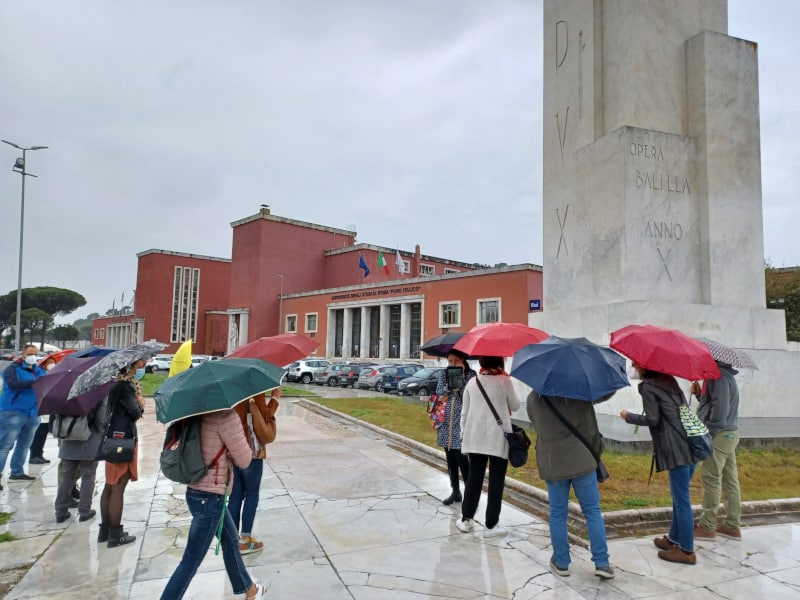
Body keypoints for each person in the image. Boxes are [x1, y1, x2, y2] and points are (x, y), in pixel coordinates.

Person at [160, 407, 268, 600]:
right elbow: (244, 461)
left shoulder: (193, 413)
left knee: (231, 541)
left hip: (195, 492)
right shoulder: (226, 416)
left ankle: (249, 590)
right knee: (190, 562)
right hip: (210, 498)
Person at [526, 390, 614, 579]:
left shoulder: (533, 398)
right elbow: (590, 424)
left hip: (553, 462)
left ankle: (562, 562)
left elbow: (537, 425)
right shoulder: (577, 393)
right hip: (582, 460)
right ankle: (602, 563)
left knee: (558, 513)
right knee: (592, 511)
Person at [620, 362, 698, 564]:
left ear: (645, 366)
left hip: (677, 448)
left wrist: (629, 417)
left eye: (635, 363)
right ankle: (673, 539)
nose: (633, 366)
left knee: (681, 499)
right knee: (678, 495)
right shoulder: (668, 379)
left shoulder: (647, 386)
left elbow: (653, 420)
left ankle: (687, 551)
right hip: (690, 442)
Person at [455, 355, 520, 537]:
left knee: (474, 479)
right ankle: (491, 524)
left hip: (475, 438)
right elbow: (515, 406)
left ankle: (466, 519)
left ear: (481, 362)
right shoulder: (505, 381)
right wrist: (508, 384)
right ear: (500, 362)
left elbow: (464, 414)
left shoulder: (473, 382)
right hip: (499, 439)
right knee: (496, 481)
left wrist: (462, 435)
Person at [691, 361, 742, 541]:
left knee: (711, 477)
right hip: (729, 433)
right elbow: (714, 404)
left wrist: (708, 434)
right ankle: (732, 526)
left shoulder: (716, 375)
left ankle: (707, 527)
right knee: (730, 480)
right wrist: (699, 395)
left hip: (720, 434)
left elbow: (720, 411)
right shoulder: (724, 375)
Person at [99, 359, 146, 548]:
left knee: (110, 484)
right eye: (141, 364)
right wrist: (140, 403)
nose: (143, 367)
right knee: (118, 485)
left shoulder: (114, 384)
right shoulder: (126, 387)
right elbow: (135, 413)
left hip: (113, 435)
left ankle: (106, 529)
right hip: (123, 437)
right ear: (131, 366)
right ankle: (115, 534)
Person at [229, 388, 281, 554]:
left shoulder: (230, 389)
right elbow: (265, 415)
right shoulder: (253, 389)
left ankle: (232, 538)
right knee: (251, 494)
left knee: (235, 495)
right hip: (252, 451)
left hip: (234, 449)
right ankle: (245, 539)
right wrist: (275, 399)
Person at [54, 395, 107, 523]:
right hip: (89, 437)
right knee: (88, 475)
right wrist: (101, 432)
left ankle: (60, 511)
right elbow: (101, 419)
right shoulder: (99, 392)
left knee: (66, 476)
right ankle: (84, 511)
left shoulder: (65, 389)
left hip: (68, 435)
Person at [0, 344, 47, 487]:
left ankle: (17, 471)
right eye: (30, 354)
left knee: (25, 444)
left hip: (33, 413)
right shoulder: (12, 369)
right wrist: (35, 383)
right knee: (5, 445)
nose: (33, 357)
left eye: (35, 354)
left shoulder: (39, 370)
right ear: (23, 354)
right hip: (13, 412)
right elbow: (13, 384)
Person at [434, 350, 474, 505]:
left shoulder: (471, 375)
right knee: (450, 460)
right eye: (449, 361)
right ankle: (455, 491)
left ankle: (470, 493)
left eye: (454, 361)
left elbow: (471, 398)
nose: (451, 364)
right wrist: (449, 388)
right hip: (446, 423)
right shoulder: (444, 374)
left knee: (463, 460)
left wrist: (462, 384)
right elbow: (438, 394)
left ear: (462, 360)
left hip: (462, 423)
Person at [28, 355, 57, 464]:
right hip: (40, 408)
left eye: (53, 362)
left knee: (44, 433)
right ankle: (33, 455)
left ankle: (39, 453)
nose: (52, 364)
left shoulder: (51, 374)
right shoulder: (40, 373)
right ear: (44, 364)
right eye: (50, 362)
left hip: (48, 409)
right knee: (38, 433)